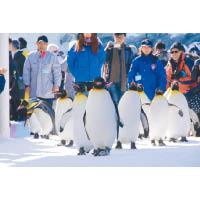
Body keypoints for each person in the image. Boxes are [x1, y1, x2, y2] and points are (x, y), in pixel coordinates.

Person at [23, 35, 62, 108]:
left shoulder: (52, 56)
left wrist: (56, 85)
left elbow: (57, 72)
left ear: (47, 44)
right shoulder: (31, 56)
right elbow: (26, 71)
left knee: (47, 114)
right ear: (36, 43)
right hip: (34, 92)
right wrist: (27, 85)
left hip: (47, 92)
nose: (42, 45)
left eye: (44, 44)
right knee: (34, 114)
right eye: (40, 43)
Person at [103, 33, 134, 104]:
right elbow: (103, 59)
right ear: (114, 37)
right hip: (111, 80)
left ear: (125, 37)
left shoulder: (128, 50)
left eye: (121, 37)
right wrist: (107, 49)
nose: (119, 39)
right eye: (117, 37)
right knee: (113, 102)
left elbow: (131, 66)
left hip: (124, 81)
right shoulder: (110, 49)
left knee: (123, 102)